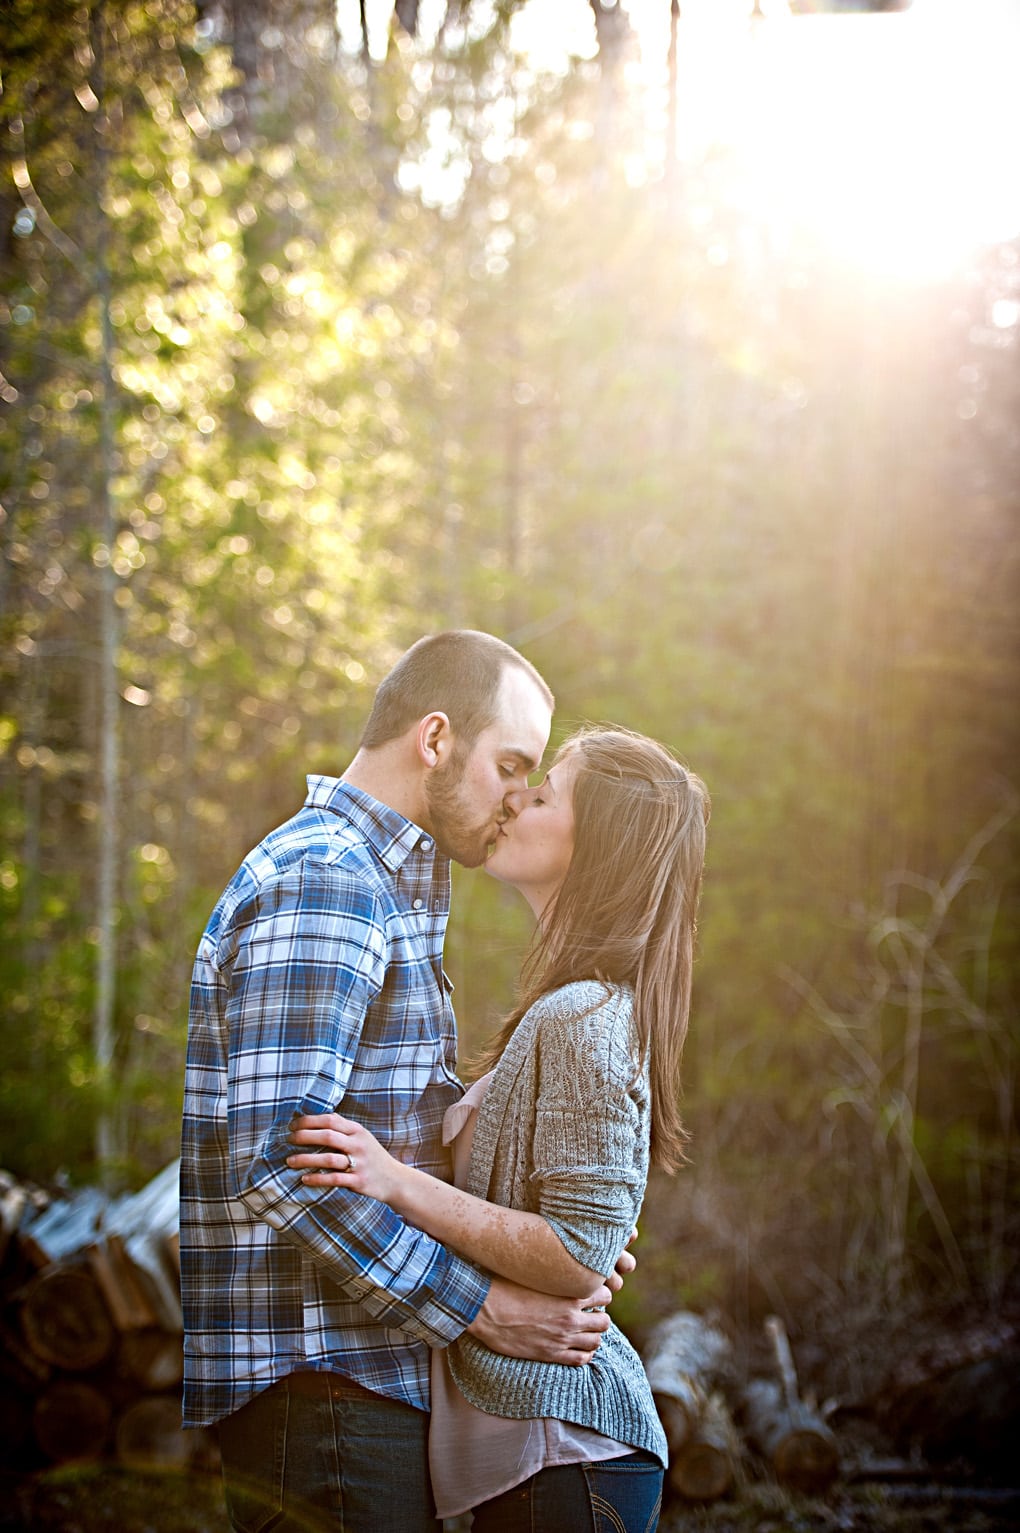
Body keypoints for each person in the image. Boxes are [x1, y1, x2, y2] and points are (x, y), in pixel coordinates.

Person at [180, 631, 628, 1533]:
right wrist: (484, 1308)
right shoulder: (328, 881)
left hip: (359, 1383)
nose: (519, 795)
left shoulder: (383, 890)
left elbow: (387, 1147)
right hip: (322, 1382)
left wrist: (549, 1243)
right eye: (510, 764)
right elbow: (282, 1163)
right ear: (434, 739)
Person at [288, 724, 711, 1532]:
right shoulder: (564, 1008)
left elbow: (579, 1252)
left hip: (566, 1457)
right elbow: (576, 1242)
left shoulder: (582, 1016)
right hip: (531, 1462)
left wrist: (394, 1179)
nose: (517, 797)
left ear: (598, 849)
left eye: (545, 792)